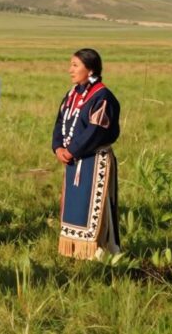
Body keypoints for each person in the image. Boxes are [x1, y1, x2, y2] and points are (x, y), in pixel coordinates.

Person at [52, 48, 122, 260]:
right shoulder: (72, 95)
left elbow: (96, 131)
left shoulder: (103, 97)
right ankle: (76, 252)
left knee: (94, 208)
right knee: (75, 207)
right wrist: (58, 148)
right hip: (73, 160)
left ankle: (99, 251)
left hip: (94, 161)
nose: (69, 70)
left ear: (90, 69)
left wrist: (72, 150)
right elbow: (59, 123)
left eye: (75, 65)